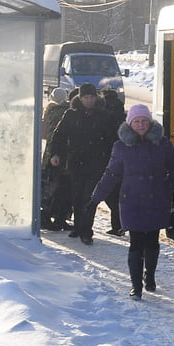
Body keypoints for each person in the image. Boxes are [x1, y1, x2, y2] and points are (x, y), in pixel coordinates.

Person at [88, 104, 174, 301]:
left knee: (152, 242)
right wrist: (95, 198)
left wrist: (172, 188)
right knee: (136, 243)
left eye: (144, 121)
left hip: (157, 198)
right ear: (130, 124)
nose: (140, 125)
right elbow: (111, 174)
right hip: (132, 201)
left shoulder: (162, 143)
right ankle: (136, 285)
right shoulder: (121, 146)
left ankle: (150, 276)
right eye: (136, 121)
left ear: (150, 122)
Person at [44, 82, 119, 245]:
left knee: (89, 197)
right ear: (80, 98)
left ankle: (86, 231)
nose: (89, 100)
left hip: (96, 163)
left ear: (96, 98)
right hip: (76, 162)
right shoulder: (71, 114)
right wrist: (55, 154)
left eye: (92, 97)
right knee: (77, 196)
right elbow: (59, 135)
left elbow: (111, 140)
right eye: (86, 97)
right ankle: (78, 227)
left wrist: (110, 160)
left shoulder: (103, 116)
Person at [40, 87, 73, 231]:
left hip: (50, 155)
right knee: (62, 189)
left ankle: (46, 216)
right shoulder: (67, 112)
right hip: (62, 156)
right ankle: (58, 217)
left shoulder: (49, 111)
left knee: (50, 189)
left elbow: (44, 134)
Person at [100, 89, 127, 236]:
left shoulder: (104, 114)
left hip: (107, 158)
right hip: (122, 160)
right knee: (118, 192)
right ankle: (118, 225)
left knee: (109, 193)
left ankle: (117, 225)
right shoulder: (122, 115)